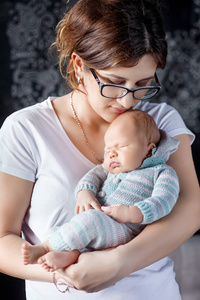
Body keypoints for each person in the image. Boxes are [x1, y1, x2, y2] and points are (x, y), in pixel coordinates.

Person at [0, 0, 199, 299]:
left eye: (143, 84)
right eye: (114, 83)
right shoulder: (27, 129)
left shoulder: (160, 122)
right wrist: (70, 271)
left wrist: (119, 263)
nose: (128, 101)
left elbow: (190, 209)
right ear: (79, 66)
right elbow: (2, 239)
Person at [21, 110, 180, 274]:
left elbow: (165, 200)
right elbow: (92, 177)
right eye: (108, 148)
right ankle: (70, 254)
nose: (112, 153)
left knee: (90, 222)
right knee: (61, 228)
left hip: (124, 229)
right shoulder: (108, 170)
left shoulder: (161, 173)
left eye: (121, 146)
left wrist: (133, 213)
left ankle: (45, 247)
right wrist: (85, 192)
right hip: (98, 223)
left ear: (148, 150)